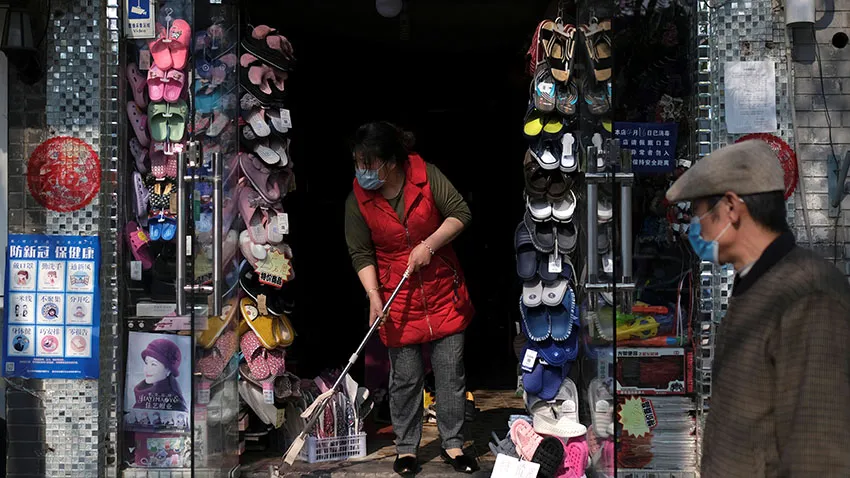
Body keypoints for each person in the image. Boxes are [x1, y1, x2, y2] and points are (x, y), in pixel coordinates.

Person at [666, 140, 850, 477]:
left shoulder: (809, 295)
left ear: (732, 208)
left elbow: (819, 454)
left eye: (699, 213)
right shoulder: (756, 283)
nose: (695, 227)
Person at [345, 121, 478, 475]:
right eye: (358, 162)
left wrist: (429, 245)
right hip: (397, 297)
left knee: (451, 374)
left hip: (442, 292)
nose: (363, 171)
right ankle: (406, 448)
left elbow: (461, 213)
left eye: (369, 163)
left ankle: (453, 444)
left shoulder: (426, 176)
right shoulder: (358, 199)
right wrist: (374, 296)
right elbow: (361, 253)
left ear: (391, 162)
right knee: (405, 378)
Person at [133, 338, 188, 413]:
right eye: (146, 363)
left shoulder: (175, 404)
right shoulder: (142, 395)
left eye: (153, 364)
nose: (147, 369)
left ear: (168, 369)